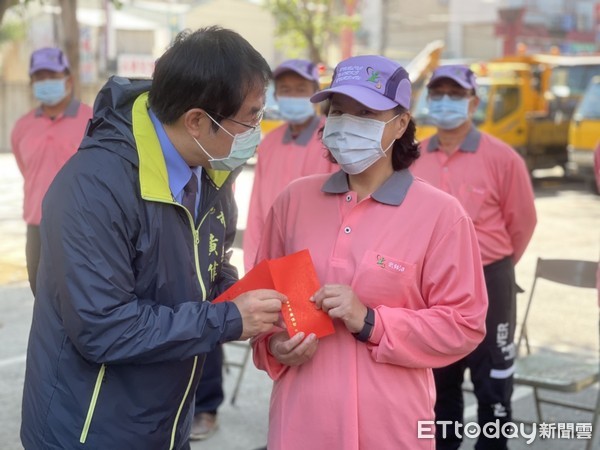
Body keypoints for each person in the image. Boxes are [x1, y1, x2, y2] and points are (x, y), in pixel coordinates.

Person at [20, 26, 286, 450]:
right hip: (90, 428)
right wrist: (230, 318)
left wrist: (261, 307)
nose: (258, 128)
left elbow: (210, 269)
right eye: (250, 117)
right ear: (198, 120)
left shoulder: (211, 171)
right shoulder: (94, 188)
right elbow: (104, 328)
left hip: (165, 420)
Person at [251, 55, 488, 450]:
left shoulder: (440, 215)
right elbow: (262, 304)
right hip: (300, 423)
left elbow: (463, 324)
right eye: (338, 111)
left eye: (365, 112)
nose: (346, 123)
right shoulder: (293, 202)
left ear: (399, 124)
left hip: (391, 426)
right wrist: (275, 346)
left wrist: (372, 322)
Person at [411, 65, 537, 450]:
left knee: (494, 379)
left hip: (490, 278)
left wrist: (491, 267)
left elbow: (523, 222)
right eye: (438, 94)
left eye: (456, 94)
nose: (446, 101)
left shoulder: (502, 158)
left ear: (473, 102)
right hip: (433, 282)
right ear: (428, 100)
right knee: (439, 379)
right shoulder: (412, 157)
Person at [11, 47, 93, 295]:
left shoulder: (92, 120)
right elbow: (28, 171)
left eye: (52, 76)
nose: (46, 82)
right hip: (37, 228)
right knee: (42, 296)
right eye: (40, 77)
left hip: (81, 227)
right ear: (32, 83)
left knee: (83, 300)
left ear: (69, 79)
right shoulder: (22, 127)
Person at [243, 58, 336, 272]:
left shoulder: (332, 140)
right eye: (285, 89)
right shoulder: (269, 143)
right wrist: (253, 266)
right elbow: (257, 209)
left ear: (315, 92)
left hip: (318, 262)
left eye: (301, 89)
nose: (293, 96)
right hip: (272, 258)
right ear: (275, 95)